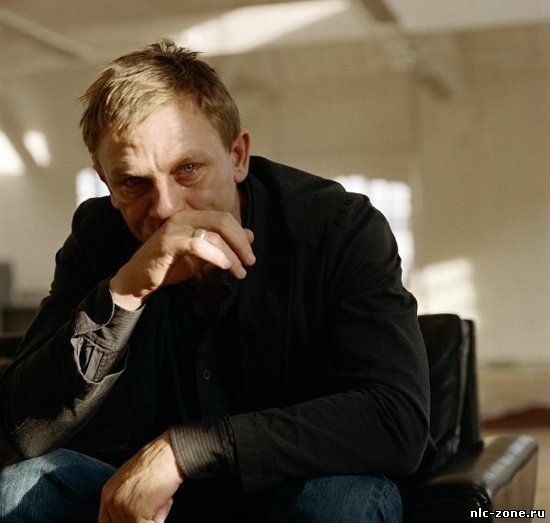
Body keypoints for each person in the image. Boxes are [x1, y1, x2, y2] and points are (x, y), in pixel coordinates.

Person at [0, 40, 430, 522]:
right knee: (16, 488)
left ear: (238, 156)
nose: (165, 209)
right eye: (134, 183)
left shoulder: (337, 227)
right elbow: (21, 434)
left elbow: (396, 420)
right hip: (154, 506)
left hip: (294, 491)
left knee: (340, 501)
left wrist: (187, 450)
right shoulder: (98, 235)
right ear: (107, 183)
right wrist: (125, 293)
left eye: (188, 169)